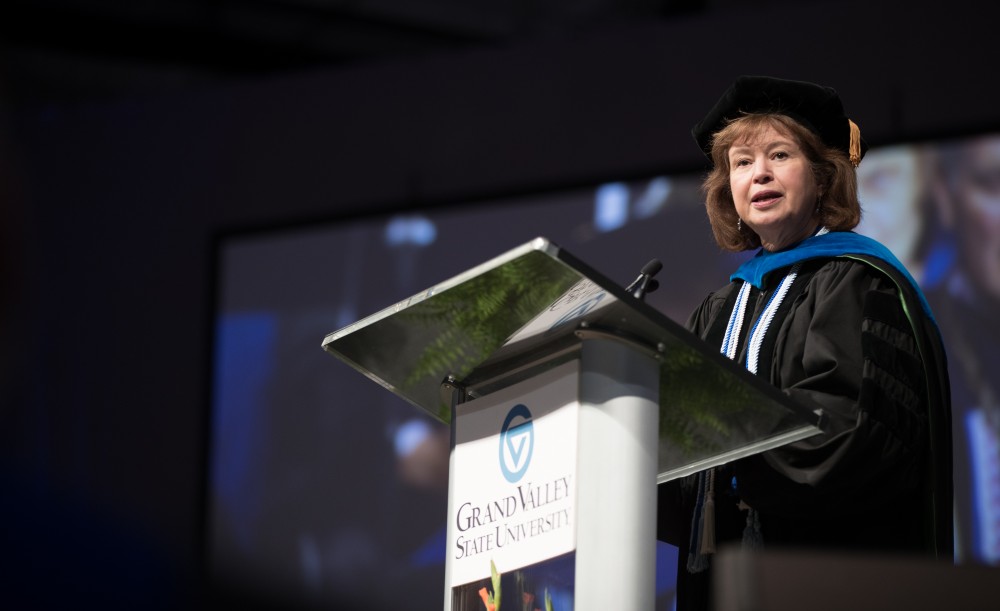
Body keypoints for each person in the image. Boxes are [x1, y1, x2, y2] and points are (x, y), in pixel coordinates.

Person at [656, 76, 953, 611]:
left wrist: (733, 460)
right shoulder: (720, 309)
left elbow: (851, 436)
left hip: (829, 582)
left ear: (821, 176)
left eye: (779, 154)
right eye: (742, 162)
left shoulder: (856, 282)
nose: (759, 173)